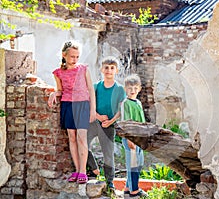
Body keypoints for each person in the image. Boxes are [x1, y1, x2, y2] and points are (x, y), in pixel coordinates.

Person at [48, 40, 96, 184]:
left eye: (77, 56)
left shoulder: (84, 69)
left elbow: (91, 89)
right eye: (72, 56)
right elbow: (60, 90)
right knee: (72, 137)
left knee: (82, 138)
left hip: (82, 105)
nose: (75, 60)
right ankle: (77, 169)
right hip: (67, 104)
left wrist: (92, 110)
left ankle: (83, 171)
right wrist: (53, 94)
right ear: (64, 55)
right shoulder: (58, 73)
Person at [87, 56, 126, 190]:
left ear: (116, 70)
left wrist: (110, 121)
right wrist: (98, 116)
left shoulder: (120, 89)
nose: (109, 70)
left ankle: (109, 183)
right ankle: (93, 169)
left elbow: (121, 109)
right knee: (82, 144)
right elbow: (90, 104)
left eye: (112, 68)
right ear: (101, 69)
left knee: (108, 155)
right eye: (106, 68)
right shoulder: (96, 87)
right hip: (94, 122)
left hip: (109, 126)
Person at [121, 74, 148, 198]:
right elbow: (126, 124)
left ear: (139, 88)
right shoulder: (126, 103)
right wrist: (129, 139)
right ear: (125, 89)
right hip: (130, 138)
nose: (132, 91)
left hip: (139, 138)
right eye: (130, 88)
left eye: (135, 88)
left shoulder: (138, 102)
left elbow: (142, 121)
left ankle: (127, 188)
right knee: (133, 165)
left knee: (139, 163)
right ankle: (134, 191)